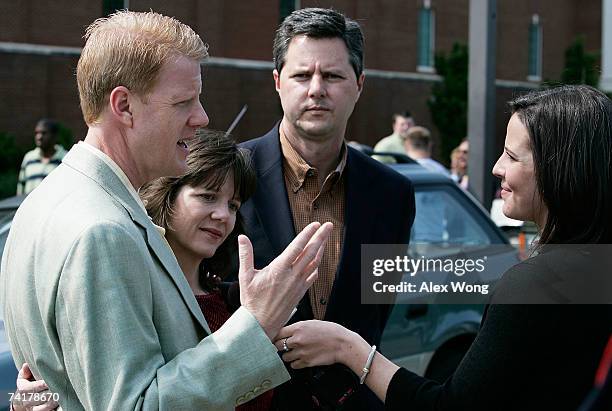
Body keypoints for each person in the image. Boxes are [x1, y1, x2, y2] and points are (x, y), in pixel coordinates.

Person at [1, 11, 332, 410]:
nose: (202, 117)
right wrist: (256, 326)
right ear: (123, 106)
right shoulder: (102, 230)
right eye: (183, 102)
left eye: (231, 203)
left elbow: (54, 378)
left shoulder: (43, 200)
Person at [271, 85, 612, 410]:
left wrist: (348, 348)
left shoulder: (536, 283)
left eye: (511, 156)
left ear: (559, 168)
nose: (497, 168)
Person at [237, 8, 415, 410]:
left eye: (332, 76)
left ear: (359, 85)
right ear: (278, 83)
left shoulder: (393, 194)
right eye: (302, 75)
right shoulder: (228, 177)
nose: (316, 89)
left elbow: (376, 314)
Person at [16, 118, 67, 195]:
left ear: (55, 136)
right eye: (36, 133)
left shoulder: (66, 159)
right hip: (31, 206)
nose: (39, 137)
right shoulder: (29, 158)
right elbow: (21, 189)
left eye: (44, 133)